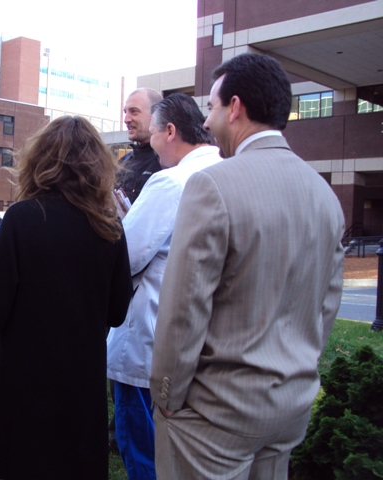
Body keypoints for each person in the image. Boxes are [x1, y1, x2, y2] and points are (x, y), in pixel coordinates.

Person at [150, 53, 345, 479]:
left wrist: (165, 394)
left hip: (215, 415)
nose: (206, 122)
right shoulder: (324, 196)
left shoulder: (211, 185)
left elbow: (183, 307)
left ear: (235, 107)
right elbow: (327, 306)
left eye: (212, 107)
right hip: (290, 407)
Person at [0, 115, 133, 480]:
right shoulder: (109, 227)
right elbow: (117, 310)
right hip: (81, 385)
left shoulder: (21, 219)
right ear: (97, 166)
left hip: (23, 382)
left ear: (40, 161)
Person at [106, 93, 221, 479]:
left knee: (142, 447)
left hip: (147, 336)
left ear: (170, 131)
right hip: (199, 338)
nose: (152, 147)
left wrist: (122, 227)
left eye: (154, 135)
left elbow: (127, 257)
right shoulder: (226, 171)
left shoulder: (170, 181)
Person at [116, 88, 164, 205]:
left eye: (134, 112)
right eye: (125, 112)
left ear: (156, 115)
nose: (126, 119)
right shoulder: (123, 162)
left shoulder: (167, 162)